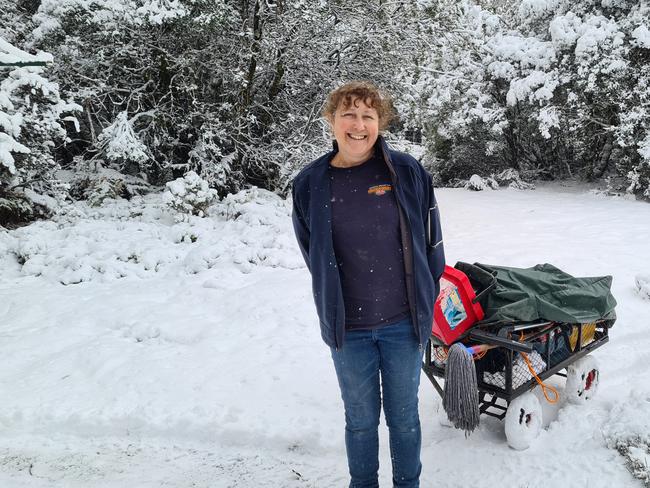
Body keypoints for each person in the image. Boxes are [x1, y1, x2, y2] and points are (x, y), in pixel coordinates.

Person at [291, 81, 445, 488]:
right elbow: (313, 253)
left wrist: (425, 304)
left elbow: (432, 244)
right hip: (349, 329)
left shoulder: (407, 172)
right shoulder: (310, 184)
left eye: (368, 116)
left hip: (403, 323)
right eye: (349, 114)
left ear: (380, 123)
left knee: (404, 419)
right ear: (331, 119)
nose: (358, 125)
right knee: (359, 421)